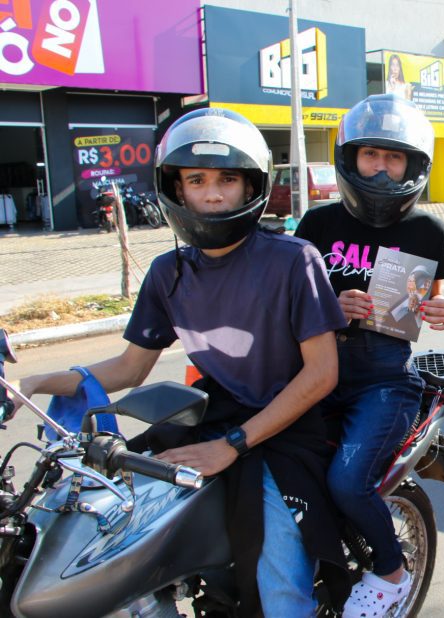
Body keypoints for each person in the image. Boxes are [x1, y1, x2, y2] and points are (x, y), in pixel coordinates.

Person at [13, 108, 351, 616]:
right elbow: (128, 370)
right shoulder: (167, 272)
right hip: (213, 418)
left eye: (227, 179)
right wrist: (29, 382)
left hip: (285, 430)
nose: (213, 194)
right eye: (197, 180)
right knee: (114, 537)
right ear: (176, 189)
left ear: (251, 186)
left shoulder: (291, 260)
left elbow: (322, 373)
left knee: (280, 590)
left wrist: (233, 445)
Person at [294, 94, 444, 618]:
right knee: (279, 477)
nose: (382, 169)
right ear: (350, 159)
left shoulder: (427, 230)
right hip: (315, 369)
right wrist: (329, 306)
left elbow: (420, 302)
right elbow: (288, 306)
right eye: (371, 155)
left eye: (394, 158)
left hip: (383, 378)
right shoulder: (316, 225)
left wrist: (441, 311)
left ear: (414, 166)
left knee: (347, 480)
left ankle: (390, 569)